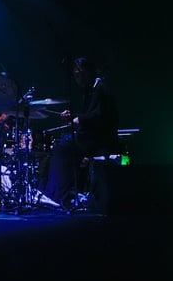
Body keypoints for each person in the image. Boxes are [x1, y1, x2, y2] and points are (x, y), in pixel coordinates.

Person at [41, 56, 119, 206]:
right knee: (62, 145)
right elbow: (91, 115)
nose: (76, 79)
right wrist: (74, 117)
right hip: (91, 137)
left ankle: (58, 195)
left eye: (78, 75)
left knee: (62, 149)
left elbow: (101, 115)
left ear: (87, 72)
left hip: (99, 139)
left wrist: (80, 119)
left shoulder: (101, 89)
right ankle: (64, 193)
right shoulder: (92, 90)